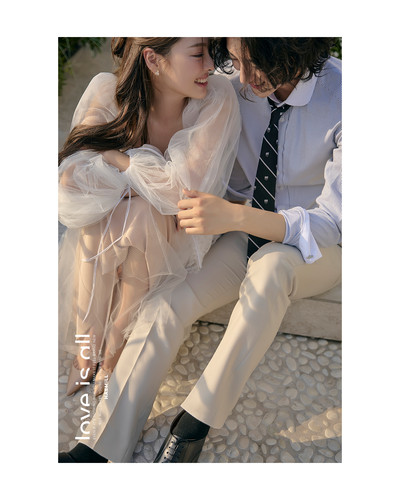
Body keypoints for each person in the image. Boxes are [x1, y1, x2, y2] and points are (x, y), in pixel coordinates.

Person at [59, 37, 341, 463]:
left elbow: (332, 222)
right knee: (166, 303)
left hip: (316, 247)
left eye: (251, 64)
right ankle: (98, 448)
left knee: (271, 271)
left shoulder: (348, 98)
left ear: (289, 51)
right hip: (239, 229)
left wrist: (236, 216)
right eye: (236, 61)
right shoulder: (235, 79)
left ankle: (194, 422)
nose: (241, 78)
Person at [58, 36, 240, 447]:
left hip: (185, 234)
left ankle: (112, 347)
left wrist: (119, 160)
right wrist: (143, 187)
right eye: (198, 54)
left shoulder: (215, 99)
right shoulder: (108, 91)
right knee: (117, 216)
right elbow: (70, 183)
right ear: (153, 60)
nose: (210, 66)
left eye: (210, 52)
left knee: (142, 214)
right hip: (115, 226)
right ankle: (90, 345)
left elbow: (183, 194)